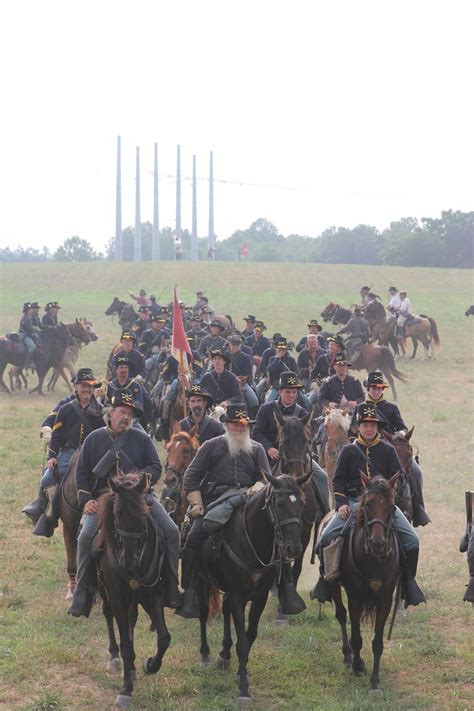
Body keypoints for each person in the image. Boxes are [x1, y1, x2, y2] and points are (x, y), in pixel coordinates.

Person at [67, 388, 181, 617]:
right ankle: (82, 591)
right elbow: (81, 474)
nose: (126, 416)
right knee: (85, 537)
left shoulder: (141, 438)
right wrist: (87, 499)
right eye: (122, 411)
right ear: (110, 412)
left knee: (172, 530)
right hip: (103, 499)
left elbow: (155, 467)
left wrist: (137, 483)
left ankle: (170, 583)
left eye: (130, 412)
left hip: (139, 498)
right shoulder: (94, 439)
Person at [314, 402, 426, 608]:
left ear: (376, 427)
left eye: (372, 425)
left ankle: (408, 583)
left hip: (381, 506)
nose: (369, 428)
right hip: (352, 503)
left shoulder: (388, 450)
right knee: (326, 537)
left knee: (412, 540)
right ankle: (326, 579)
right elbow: (338, 481)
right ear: (358, 427)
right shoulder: (348, 451)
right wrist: (340, 505)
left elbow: (398, 476)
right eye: (365, 425)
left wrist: (387, 495)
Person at [178, 403, 274, 618]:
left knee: (279, 533)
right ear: (227, 425)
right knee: (193, 538)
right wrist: (197, 503)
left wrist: (257, 488)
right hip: (214, 501)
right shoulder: (211, 446)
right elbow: (191, 477)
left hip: (250, 501)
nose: (240, 429)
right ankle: (190, 592)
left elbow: (265, 478)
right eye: (235, 424)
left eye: (243, 425)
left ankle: (285, 587)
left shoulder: (257, 449)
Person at [25, 368, 104, 537]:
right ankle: (47, 513)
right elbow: (57, 434)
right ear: (75, 387)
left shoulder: (101, 410)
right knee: (47, 478)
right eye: (83, 385)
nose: (87, 389)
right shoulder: (66, 407)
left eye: (90, 386)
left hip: (91, 453)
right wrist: (52, 457)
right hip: (68, 451)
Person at [350, 370, 431, 527]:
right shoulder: (360, 408)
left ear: (382, 390)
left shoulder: (391, 408)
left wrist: (396, 436)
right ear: (368, 389)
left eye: (379, 388)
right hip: (364, 449)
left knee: (416, 471)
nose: (376, 391)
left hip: (391, 449)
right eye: (373, 388)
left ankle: (417, 508)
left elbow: (402, 428)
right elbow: (351, 432)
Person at [252, 371, 329, 517]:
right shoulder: (266, 409)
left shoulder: (302, 413)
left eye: (294, 392)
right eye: (288, 392)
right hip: (271, 456)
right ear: (279, 392)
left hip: (298, 457)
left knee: (321, 477)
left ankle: (325, 513)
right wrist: (269, 448)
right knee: (255, 480)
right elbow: (257, 433)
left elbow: (309, 437)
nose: (291, 395)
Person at [104, 354, 153, 431]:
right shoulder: (109, 387)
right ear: (116, 370)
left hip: (131, 421)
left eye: (126, 367)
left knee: (144, 437)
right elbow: (105, 406)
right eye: (121, 367)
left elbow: (138, 405)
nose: (124, 370)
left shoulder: (136, 386)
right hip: (112, 421)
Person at [227, 333, 259, 417]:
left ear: (240, 344)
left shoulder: (246, 357)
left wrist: (239, 381)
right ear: (230, 344)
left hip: (242, 383)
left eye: (237, 344)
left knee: (254, 400)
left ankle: (254, 418)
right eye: (233, 344)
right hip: (227, 382)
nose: (235, 346)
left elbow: (247, 373)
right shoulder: (225, 355)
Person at [19, 302, 40, 371]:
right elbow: (29, 329)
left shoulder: (28, 317)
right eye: (30, 309)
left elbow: (30, 327)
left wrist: (34, 328)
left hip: (28, 335)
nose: (32, 310)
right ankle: (27, 363)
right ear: (27, 310)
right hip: (24, 336)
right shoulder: (26, 318)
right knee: (32, 347)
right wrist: (35, 328)